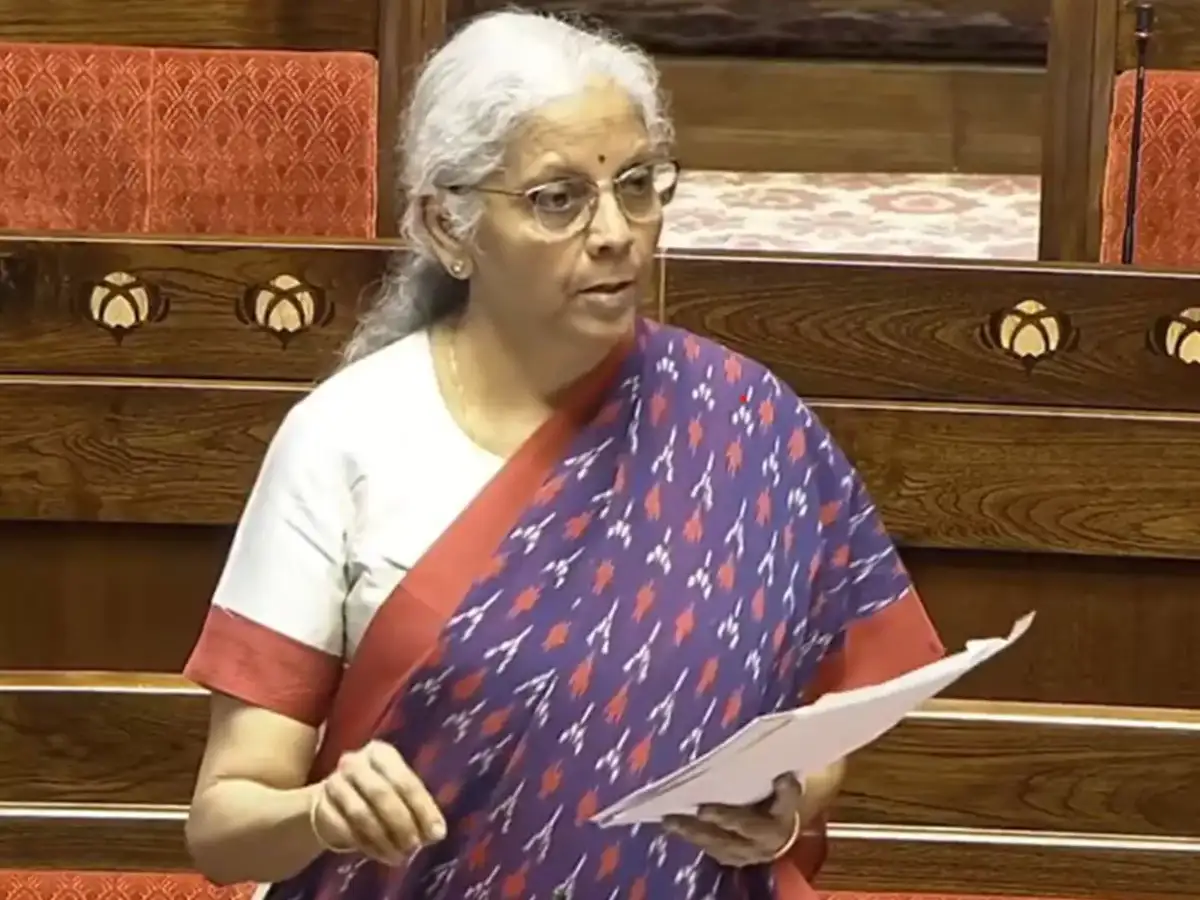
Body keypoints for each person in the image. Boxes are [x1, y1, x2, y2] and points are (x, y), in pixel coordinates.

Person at [182, 9, 945, 900]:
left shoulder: (748, 419)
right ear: (446, 226)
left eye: (638, 185)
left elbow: (824, 723)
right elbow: (225, 829)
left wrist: (785, 805)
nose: (616, 230)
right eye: (559, 198)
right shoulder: (344, 438)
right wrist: (322, 813)